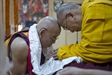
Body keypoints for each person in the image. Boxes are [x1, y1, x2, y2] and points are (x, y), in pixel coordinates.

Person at [55, 0, 112, 74]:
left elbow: (89, 51)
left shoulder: (93, 11)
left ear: (71, 15)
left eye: (66, 27)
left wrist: (61, 51)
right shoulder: (88, 8)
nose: (71, 31)